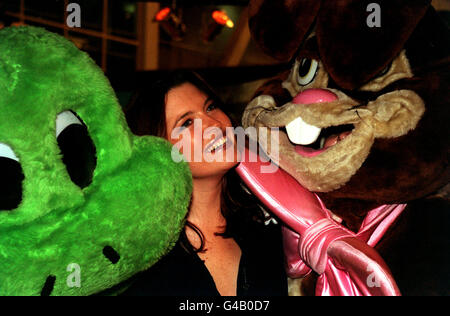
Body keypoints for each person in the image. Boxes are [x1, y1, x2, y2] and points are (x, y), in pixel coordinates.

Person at [121, 70, 287, 296]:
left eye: (210, 107)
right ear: (157, 151)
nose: (214, 124)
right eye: (187, 122)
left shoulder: (268, 226)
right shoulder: (140, 259)